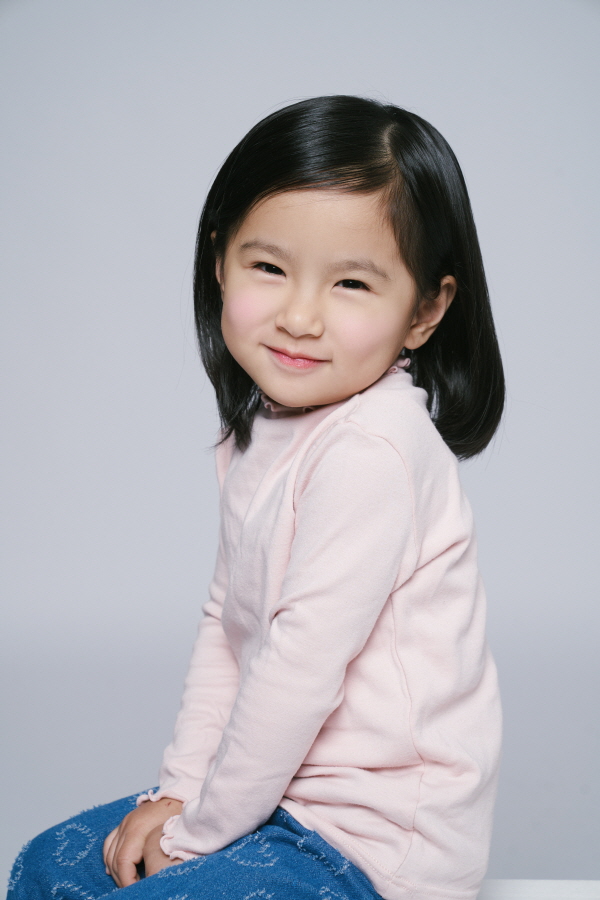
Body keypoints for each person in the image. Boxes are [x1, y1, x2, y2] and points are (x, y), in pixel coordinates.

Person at [8, 95, 504, 900]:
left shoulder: (374, 449)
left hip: (366, 848)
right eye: (268, 268)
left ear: (424, 311)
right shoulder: (265, 431)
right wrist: (179, 792)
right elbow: (228, 629)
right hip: (266, 802)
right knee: (46, 867)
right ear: (220, 260)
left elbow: (296, 672)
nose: (300, 317)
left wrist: (195, 834)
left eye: (351, 283)